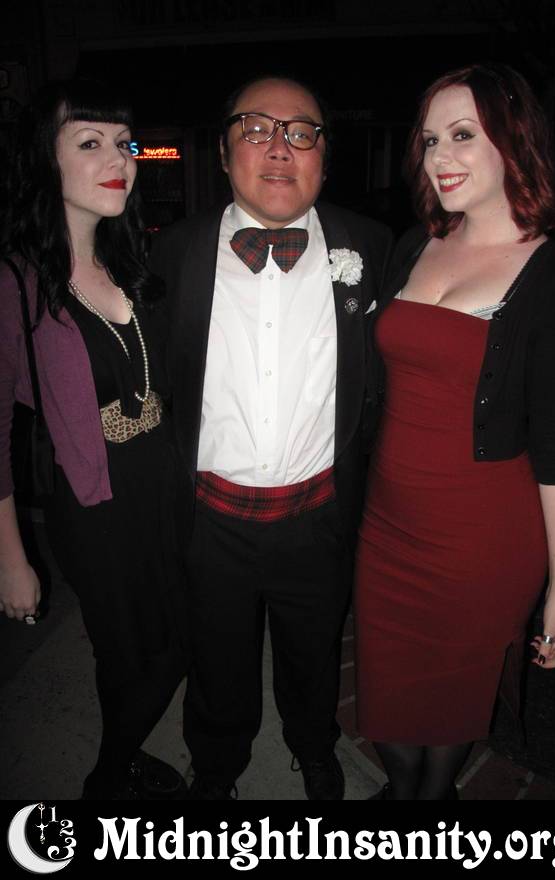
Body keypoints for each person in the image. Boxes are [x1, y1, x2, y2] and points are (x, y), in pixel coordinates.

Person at [354, 63, 555, 800]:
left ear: (513, 140)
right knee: (390, 721)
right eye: (430, 139)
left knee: (446, 725)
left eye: (463, 134)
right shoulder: (413, 244)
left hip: (481, 544)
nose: (440, 156)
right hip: (387, 527)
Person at [150, 74, 394, 800]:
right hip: (211, 519)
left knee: (313, 653)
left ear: (325, 156)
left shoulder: (370, 247)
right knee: (216, 659)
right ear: (224, 154)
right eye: (256, 129)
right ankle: (216, 767)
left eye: (301, 132)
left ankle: (313, 745)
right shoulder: (175, 252)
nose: (280, 148)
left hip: (319, 514)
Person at [0, 80, 189, 799]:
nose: (119, 160)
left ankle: (118, 762)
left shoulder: (134, 263)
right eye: (89, 142)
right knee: (135, 656)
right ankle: (108, 782)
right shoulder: (16, 283)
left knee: (177, 643)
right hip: (98, 512)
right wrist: (11, 560)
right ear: (43, 162)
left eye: (123, 143)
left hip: (166, 494)